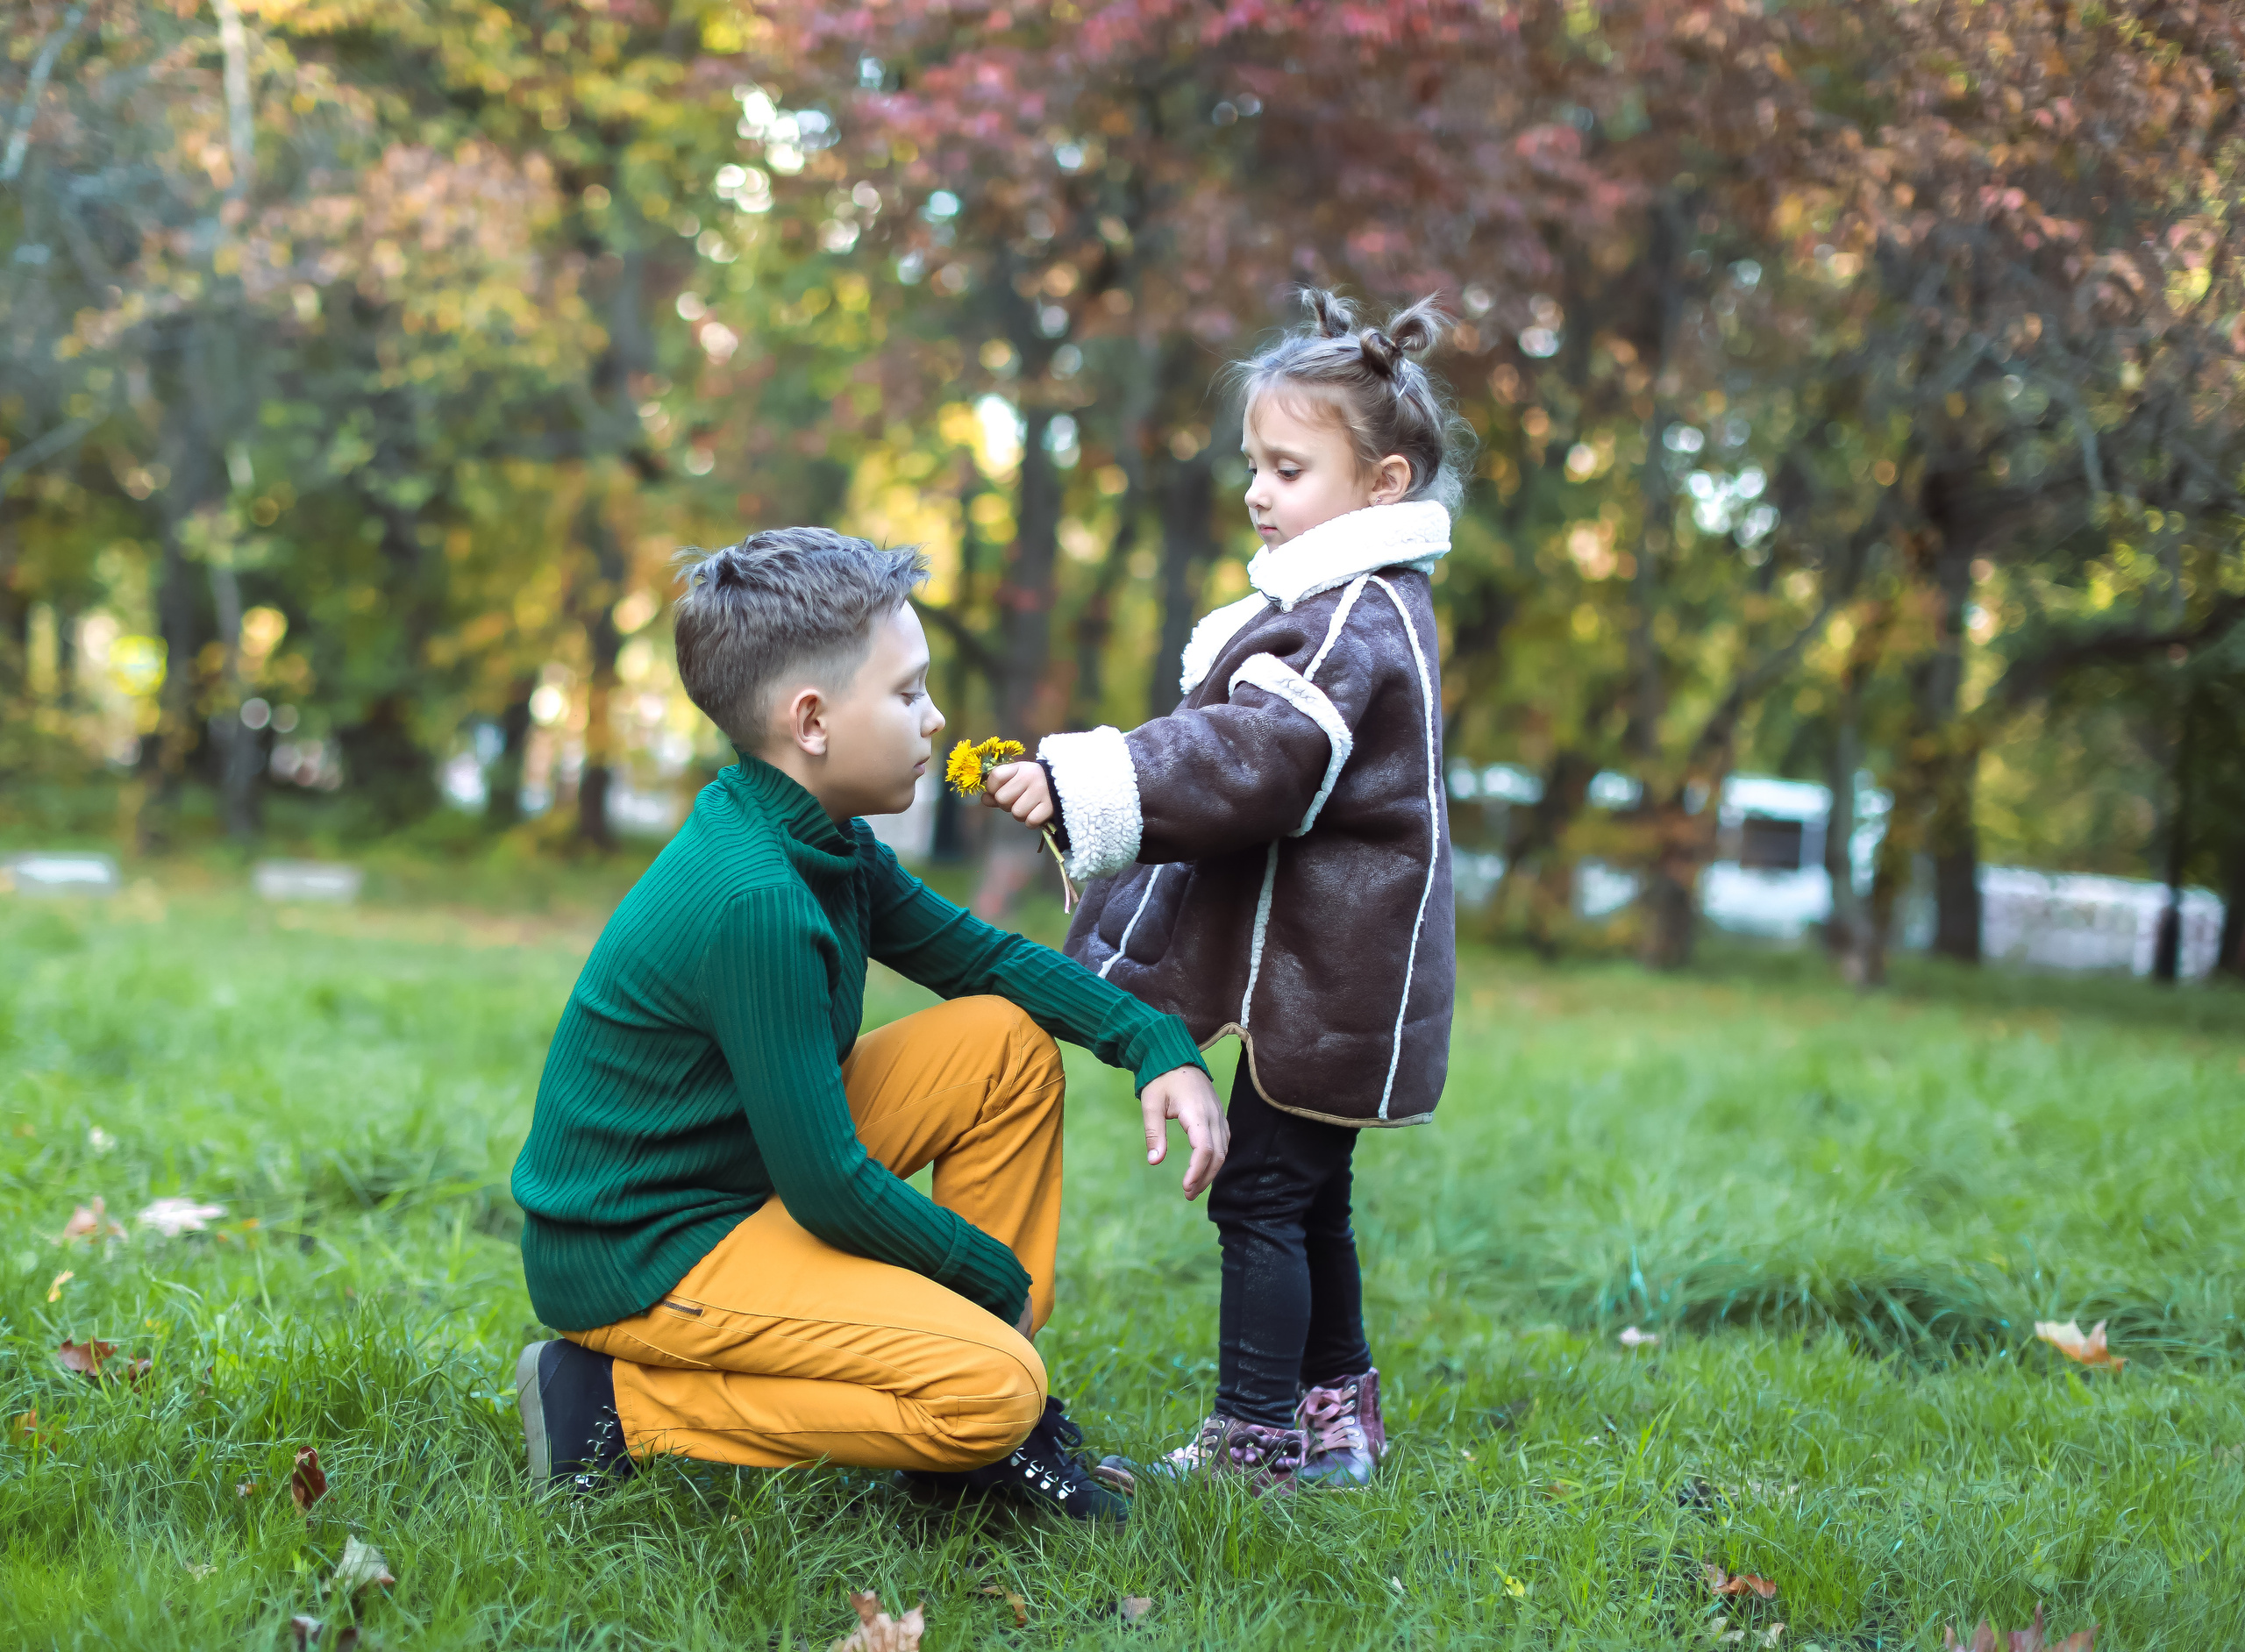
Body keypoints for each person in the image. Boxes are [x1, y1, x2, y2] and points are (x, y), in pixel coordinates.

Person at [509, 527, 1228, 1523]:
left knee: (1001, 1045)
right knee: (995, 1389)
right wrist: (989, 1278)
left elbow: (980, 959)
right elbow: (829, 1188)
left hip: (734, 1180)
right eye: (907, 693)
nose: (936, 719)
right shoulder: (758, 899)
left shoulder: (822, 839)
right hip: (643, 1252)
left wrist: (1152, 1041)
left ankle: (965, 1449)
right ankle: (613, 1404)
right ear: (811, 721)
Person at [979, 290, 1462, 1491]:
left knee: (1262, 1192)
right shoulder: (1341, 607)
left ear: (1383, 484)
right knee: (1306, 1195)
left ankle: (1255, 1447)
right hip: (1330, 965)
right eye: (1255, 464)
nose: (1258, 491)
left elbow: (1259, 756)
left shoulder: (1352, 616)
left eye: (1289, 470)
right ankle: (1336, 1425)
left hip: (1332, 968)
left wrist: (1089, 776)